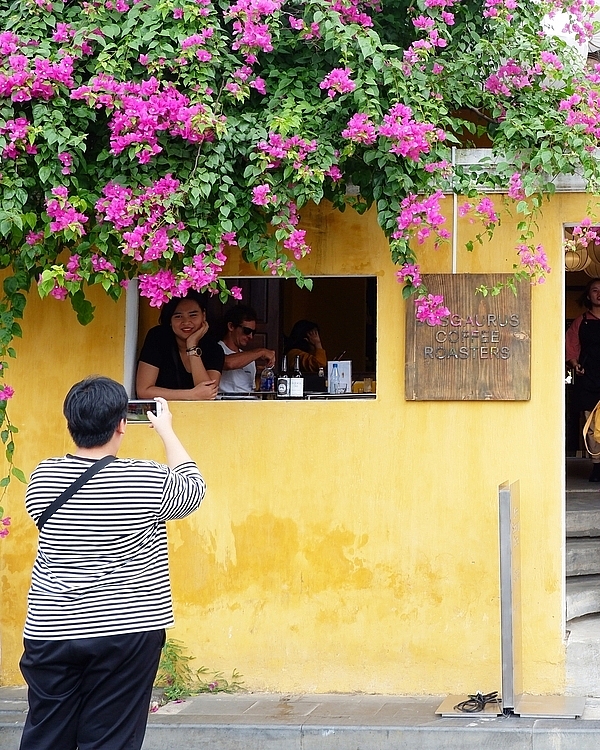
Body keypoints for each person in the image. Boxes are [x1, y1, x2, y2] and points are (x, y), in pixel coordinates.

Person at [19, 376, 205, 750]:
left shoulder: (43, 476)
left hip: (51, 628)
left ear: (71, 423)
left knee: (46, 735)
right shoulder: (144, 477)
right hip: (126, 628)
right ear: (123, 423)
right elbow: (194, 488)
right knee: (110, 739)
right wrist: (166, 431)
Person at [136, 290, 224, 401]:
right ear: (170, 320)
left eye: (193, 315)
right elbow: (143, 391)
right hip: (161, 414)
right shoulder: (158, 338)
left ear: (204, 315)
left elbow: (207, 394)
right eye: (178, 316)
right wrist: (191, 395)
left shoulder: (214, 349)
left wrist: (192, 346)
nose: (186, 322)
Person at [566, 277, 600, 481]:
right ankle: (597, 465)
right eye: (595, 290)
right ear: (588, 295)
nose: (599, 293)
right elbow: (571, 345)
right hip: (589, 378)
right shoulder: (581, 321)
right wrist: (574, 363)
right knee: (592, 424)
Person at [218, 305, 276, 394]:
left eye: (253, 332)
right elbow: (227, 363)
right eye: (247, 331)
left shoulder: (250, 359)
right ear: (231, 326)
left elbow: (250, 390)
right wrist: (261, 352)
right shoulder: (216, 349)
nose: (250, 336)